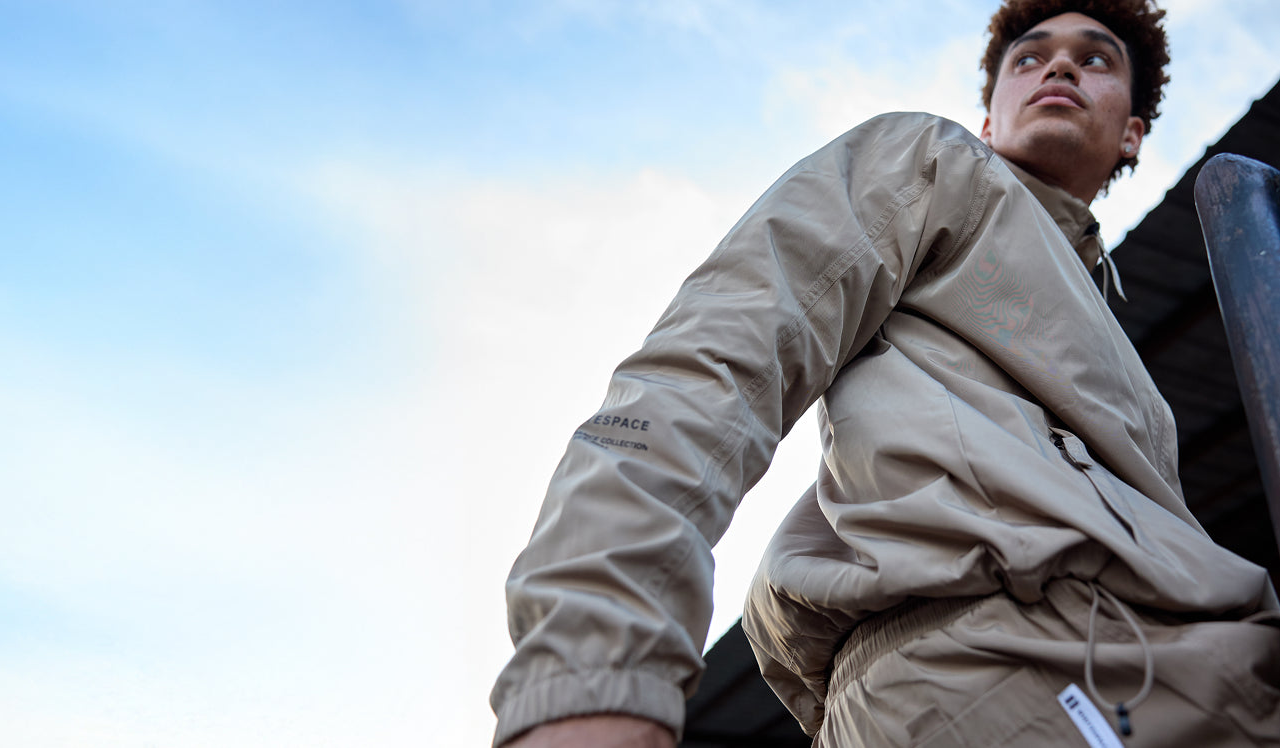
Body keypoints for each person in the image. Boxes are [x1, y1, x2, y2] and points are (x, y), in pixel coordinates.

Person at [491, 1, 1280, 747]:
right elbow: (715, 357)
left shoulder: (1113, 345)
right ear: (988, 117)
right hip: (1010, 670)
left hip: (1184, 673)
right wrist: (591, 664)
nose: (1059, 69)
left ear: (1133, 132)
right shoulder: (930, 161)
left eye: (1094, 60)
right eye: (1030, 57)